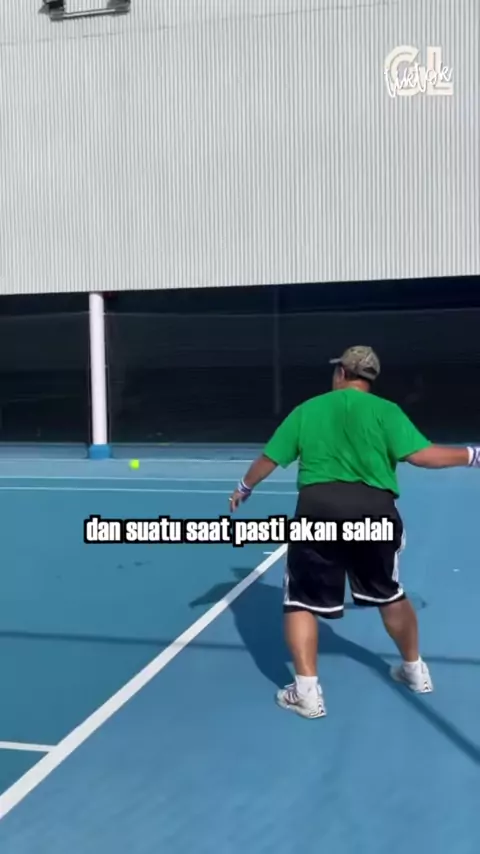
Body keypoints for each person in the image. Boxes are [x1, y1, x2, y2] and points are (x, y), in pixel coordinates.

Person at [229, 345, 480, 719]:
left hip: (319, 512)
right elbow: (422, 455)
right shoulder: (387, 411)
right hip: (375, 513)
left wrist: (244, 487)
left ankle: (307, 694)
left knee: (300, 601)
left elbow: (270, 458)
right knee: (389, 593)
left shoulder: (308, 409)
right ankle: (414, 671)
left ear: (342, 373)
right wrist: (473, 455)